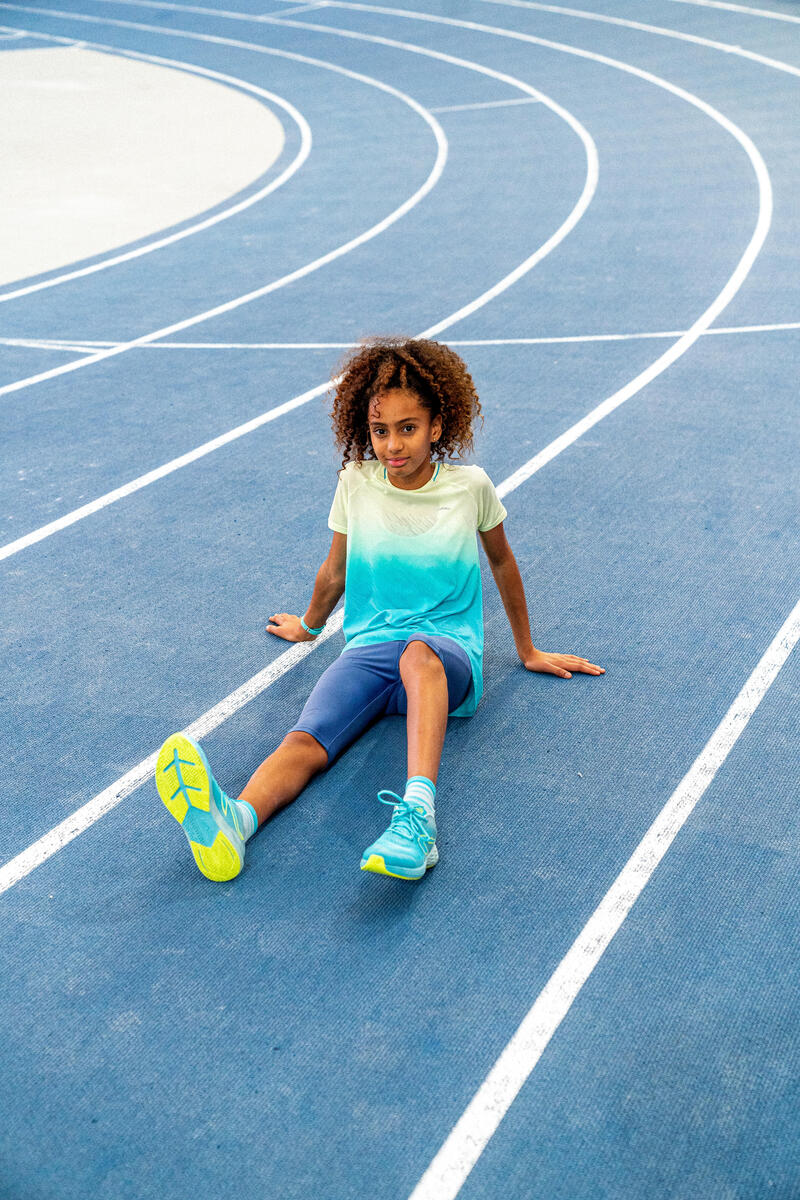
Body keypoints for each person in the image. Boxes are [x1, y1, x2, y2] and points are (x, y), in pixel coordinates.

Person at [155, 337, 604, 883]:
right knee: (306, 739)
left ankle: (418, 820)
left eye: (408, 428)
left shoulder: (470, 488)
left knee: (418, 654)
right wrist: (310, 626)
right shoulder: (356, 484)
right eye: (380, 430)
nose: (394, 445)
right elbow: (334, 572)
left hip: (446, 659)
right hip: (368, 649)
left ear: (437, 426)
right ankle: (236, 821)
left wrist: (527, 649)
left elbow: (504, 564)